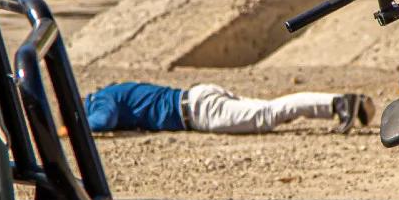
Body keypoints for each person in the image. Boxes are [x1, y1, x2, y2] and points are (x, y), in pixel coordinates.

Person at [76, 82, 374, 135]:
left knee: (269, 114)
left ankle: (338, 103)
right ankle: (349, 104)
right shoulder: (113, 90)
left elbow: (103, 120)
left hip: (197, 112)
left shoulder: (99, 101)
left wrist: (72, 127)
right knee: (268, 109)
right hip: (198, 96)